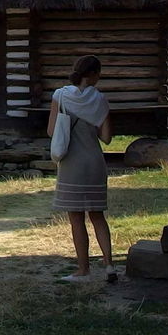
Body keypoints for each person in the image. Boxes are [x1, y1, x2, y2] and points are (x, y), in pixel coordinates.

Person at [48, 54, 117, 283]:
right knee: (98, 216)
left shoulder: (61, 96)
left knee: (76, 219)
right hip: (94, 161)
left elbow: (51, 131)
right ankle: (109, 265)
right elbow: (106, 137)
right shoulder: (101, 100)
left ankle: (83, 270)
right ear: (95, 74)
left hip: (71, 163)